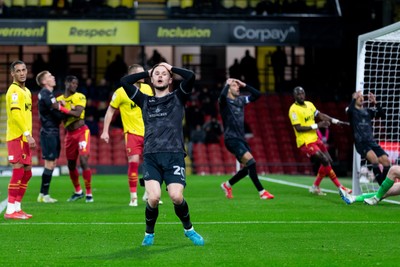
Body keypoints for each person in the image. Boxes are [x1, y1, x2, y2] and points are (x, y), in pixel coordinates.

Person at [120, 62, 204, 246]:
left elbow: (190, 76)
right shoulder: (144, 100)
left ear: (170, 78)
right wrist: (147, 72)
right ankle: (149, 234)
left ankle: (189, 229)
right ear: (151, 79)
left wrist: (171, 67)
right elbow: (125, 81)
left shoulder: (178, 97)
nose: (160, 76)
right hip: (151, 156)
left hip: (174, 155)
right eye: (156, 74)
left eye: (164, 74)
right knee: (154, 197)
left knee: (176, 196)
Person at [100, 64, 154, 207]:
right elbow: (110, 111)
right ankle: (133, 197)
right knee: (134, 162)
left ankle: (149, 193)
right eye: (140, 73)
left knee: (152, 164)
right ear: (133, 75)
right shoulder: (121, 92)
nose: (144, 76)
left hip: (149, 132)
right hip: (131, 133)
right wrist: (105, 131)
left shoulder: (148, 89)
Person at [288, 86, 352, 195]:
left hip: (315, 139)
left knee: (328, 161)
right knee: (324, 160)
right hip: (305, 142)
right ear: (294, 96)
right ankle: (341, 188)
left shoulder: (309, 105)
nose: (301, 96)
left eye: (302, 93)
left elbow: (321, 115)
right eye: (298, 94)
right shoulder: (293, 110)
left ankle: (315, 186)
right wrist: (317, 125)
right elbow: (298, 128)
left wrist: (335, 121)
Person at [219, 78, 274, 200]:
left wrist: (245, 85)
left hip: (241, 139)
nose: (237, 87)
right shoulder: (225, 102)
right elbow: (221, 97)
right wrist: (227, 84)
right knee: (251, 162)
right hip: (231, 139)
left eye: (238, 86)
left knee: (248, 168)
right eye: (234, 85)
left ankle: (227, 185)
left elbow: (257, 95)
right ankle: (262, 192)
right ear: (228, 88)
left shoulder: (241, 100)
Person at [4, 60, 36, 220]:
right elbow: (16, 115)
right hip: (17, 136)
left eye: (24, 69)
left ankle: (17, 207)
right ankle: (10, 210)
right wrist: (27, 134)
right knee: (18, 172)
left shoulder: (27, 91)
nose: (22, 73)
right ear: (12, 74)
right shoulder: (14, 91)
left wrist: (28, 134)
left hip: (24, 136)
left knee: (27, 172)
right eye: (18, 71)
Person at [57, 75, 94, 203]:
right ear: (66, 83)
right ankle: (78, 191)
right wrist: (63, 110)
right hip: (69, 134)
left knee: (83, 161)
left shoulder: (80, 96)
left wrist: (61, 109)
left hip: (82, 131)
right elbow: (58, 116)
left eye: (76, 84)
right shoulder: (59, 99)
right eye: (72, 83)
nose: (75, 86)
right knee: (71, 164)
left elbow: (78, 113)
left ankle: (89, 193)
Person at [36, 70, 71, 204]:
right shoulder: (45, 93)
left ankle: (43, 194)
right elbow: (55, 112)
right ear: (44, 81)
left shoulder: (48, 94)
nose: (53, 77)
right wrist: (70, 112)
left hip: (53, 131)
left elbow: (54, 109)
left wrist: (59, 104)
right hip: (48, 132)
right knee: (50, 163)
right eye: (50, 76)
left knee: (52, 163)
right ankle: (44, 195)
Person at [346, 91, 390, 185]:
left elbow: (382, 115)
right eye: (358, 97)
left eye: (362, 96)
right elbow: (349, 111)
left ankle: (383, 184)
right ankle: (382, 186)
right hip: (361, 143)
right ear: (354, 99)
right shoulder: (352, 111)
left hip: (371, 142)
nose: (361, 98)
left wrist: (375, 102)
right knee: (375, 160)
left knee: (386, 162)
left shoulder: (367, 111)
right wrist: (353, 98)